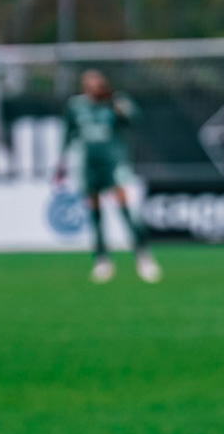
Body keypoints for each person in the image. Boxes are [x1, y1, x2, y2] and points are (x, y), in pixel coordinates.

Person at [57, 69, 160, 283]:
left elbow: (134, 118)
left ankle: (142, 255)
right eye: (89, 84)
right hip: (89, 163)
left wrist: (116, 104)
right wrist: (61, 163)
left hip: (113, 161)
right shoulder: (76, 106)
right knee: (94, 211)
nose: (94, 88)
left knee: (124, 207)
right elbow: (67, 134)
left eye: (97, 84)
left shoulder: (116, 102)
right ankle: (102, 260)